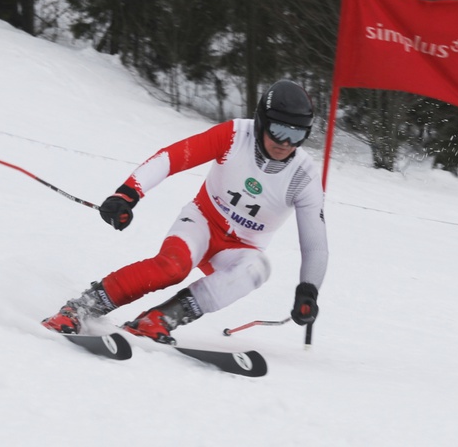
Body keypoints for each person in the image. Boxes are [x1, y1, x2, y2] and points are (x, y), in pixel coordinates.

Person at [42, 80, 329, 345]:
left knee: (258, 269)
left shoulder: (303, 177)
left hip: (240, 249)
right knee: (172, 267)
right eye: (279, 131)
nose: (286, 143)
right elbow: (174, 157)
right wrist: (127, 193)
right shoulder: (234, 135)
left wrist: (308, 290)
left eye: (297, 134)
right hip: (202, 222)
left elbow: (315, 245)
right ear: (261, 123)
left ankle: (158, 319)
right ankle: (81, 308)